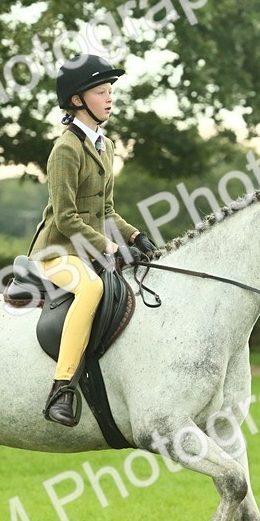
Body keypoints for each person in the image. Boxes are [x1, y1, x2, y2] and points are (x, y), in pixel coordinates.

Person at [27, 54, 156, 427]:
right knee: (92, 289)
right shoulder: (66, 149)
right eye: (101, 92)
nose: (110, 98)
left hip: (88, 252)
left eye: (110, 91)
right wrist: (111, 246)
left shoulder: (106, 146)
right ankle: (61, 387)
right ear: (77, 99)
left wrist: (135, 235)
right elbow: (66, 218)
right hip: (56, 252)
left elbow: (107, 211)